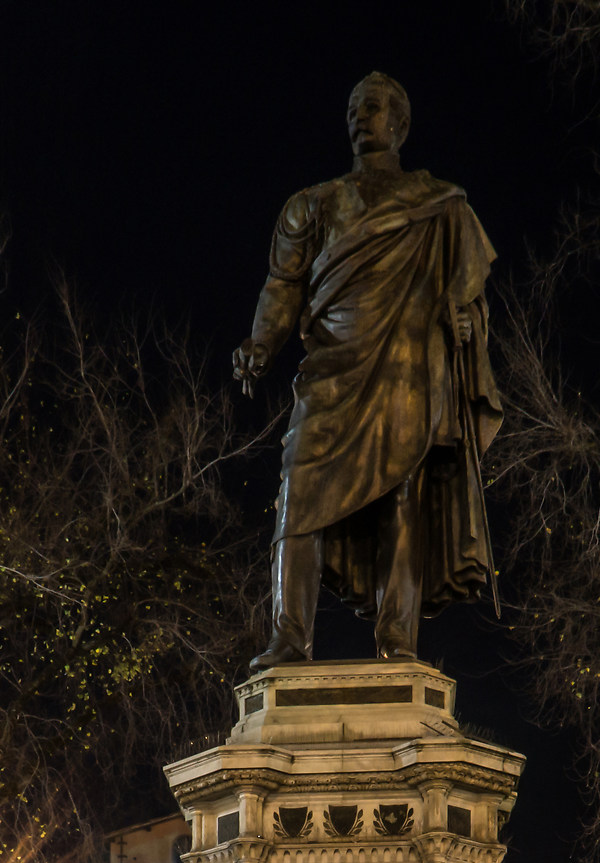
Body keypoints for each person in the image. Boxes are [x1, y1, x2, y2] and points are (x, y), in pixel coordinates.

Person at [235, 72, 502, 666]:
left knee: (399, 498)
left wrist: (467, 325)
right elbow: (282, 287)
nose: (363, 115)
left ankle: (397, 640)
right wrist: (260, 342)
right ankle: (289, 637)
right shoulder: (313, 203)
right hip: (331, 365)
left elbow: (467, 293)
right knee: (296, 493)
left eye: (376, 107)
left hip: (406, 367)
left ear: (399, 124)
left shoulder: (440, 205)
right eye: (355, 106)